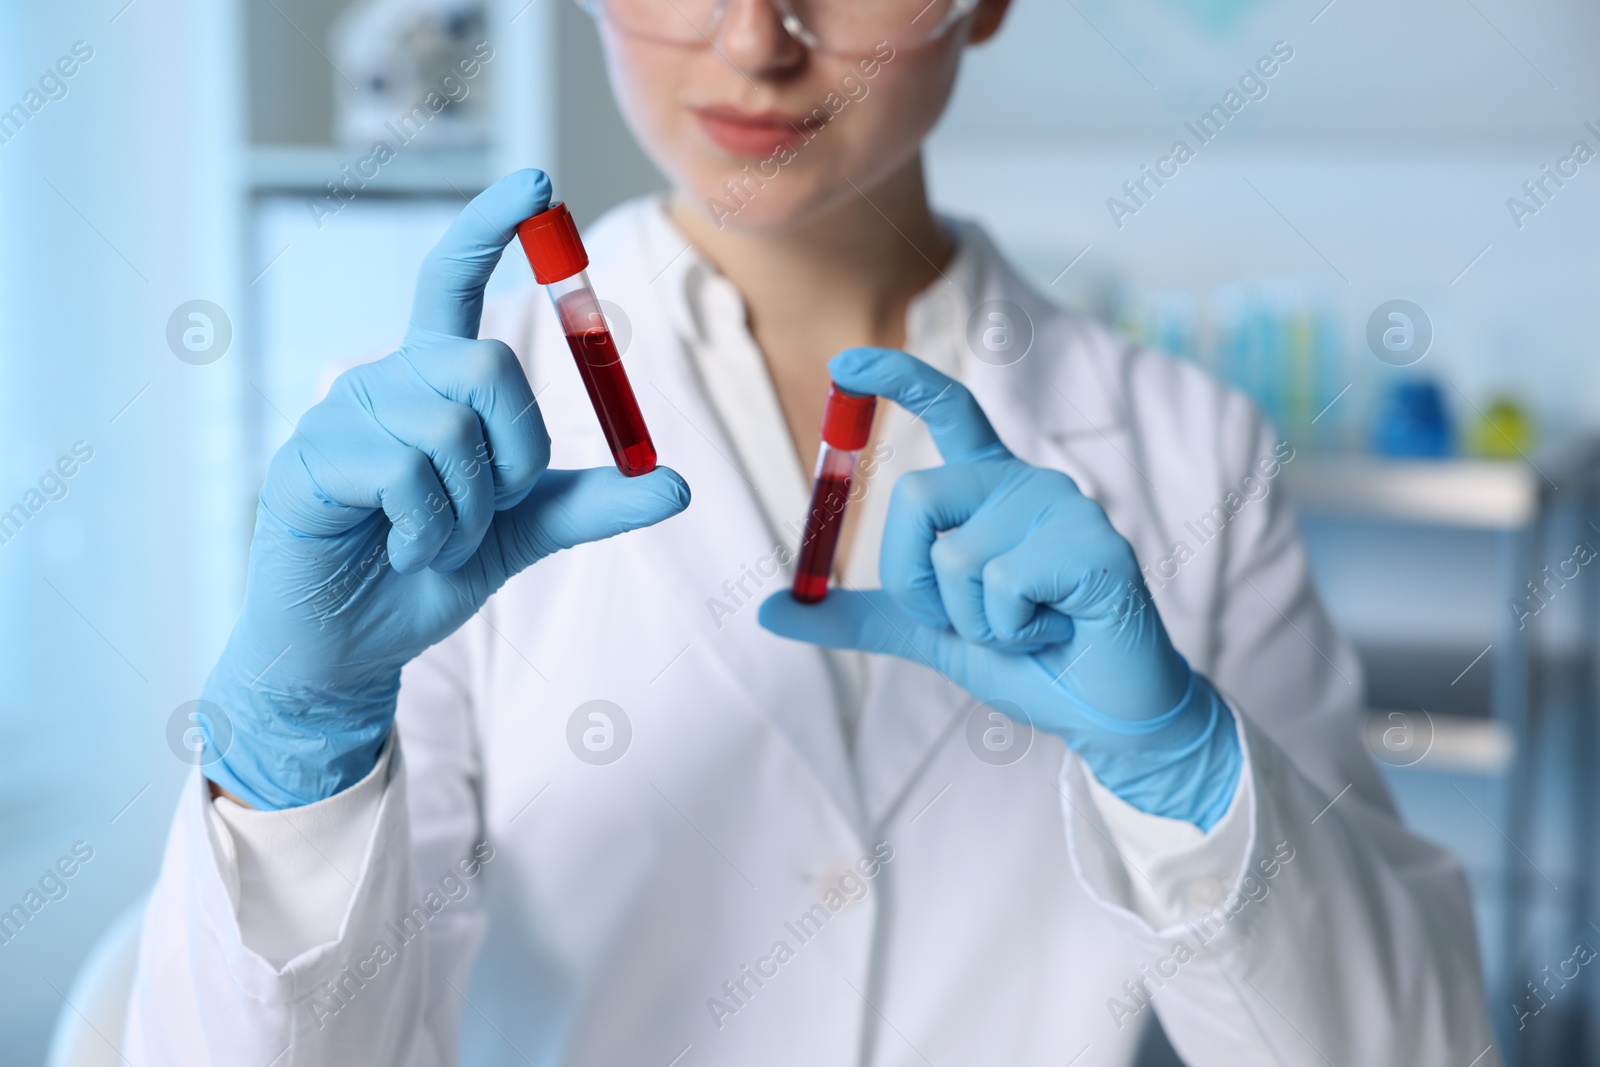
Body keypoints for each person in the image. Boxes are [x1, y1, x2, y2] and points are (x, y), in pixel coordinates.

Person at [126, 0, 1498, 1063]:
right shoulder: (424, 455)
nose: (755, 40)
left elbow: (1417, 1051)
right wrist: (294, 772)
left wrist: (1186, 779)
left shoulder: (1186, 448)